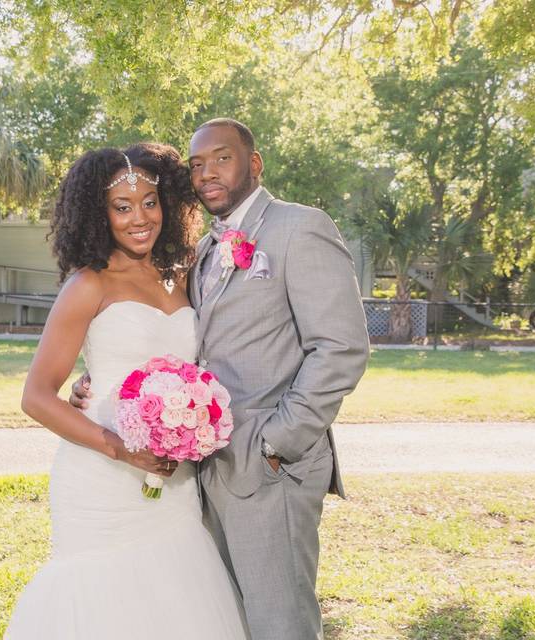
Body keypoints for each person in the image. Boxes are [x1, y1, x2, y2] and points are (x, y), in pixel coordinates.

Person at [72, 119, 370, 640]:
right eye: (197, 164)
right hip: (206, 470)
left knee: (281, 623)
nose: (208, 172)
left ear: (254, 163)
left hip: (271, 466)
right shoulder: (206, 249)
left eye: (222, 158)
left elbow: (341, 349)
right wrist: (101, 378)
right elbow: (185, 344)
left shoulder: (300, 228)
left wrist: (278, 441)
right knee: (231, 621)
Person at [5, 142, 249, 639]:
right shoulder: (88, 285)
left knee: (176, 598)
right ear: (100, 214)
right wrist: (121, 447)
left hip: (174, 477)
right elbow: (36, 396)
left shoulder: (181, 274)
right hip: (101, 476)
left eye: (150, 202)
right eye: (122, 207)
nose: (140, 218)